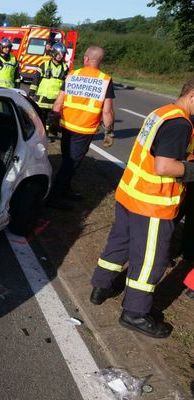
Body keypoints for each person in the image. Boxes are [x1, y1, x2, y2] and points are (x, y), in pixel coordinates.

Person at [90, 76, 194, 338]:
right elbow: (163, 166)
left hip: (130, 194)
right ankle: (135, 312)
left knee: (119, 243)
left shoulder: (162, 112)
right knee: (151, 259)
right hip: (152, 203)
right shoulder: (180, 124)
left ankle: (101, 287)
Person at [47, 46, 115, 209]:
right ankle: (53, 197)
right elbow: (107, 111)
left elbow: (58, 102)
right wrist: (109, 132)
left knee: (67, 160)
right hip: (84, 129)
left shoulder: (72, 75)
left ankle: (65, 189)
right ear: (99, 61)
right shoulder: (105, 80)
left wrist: (54, 122)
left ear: (86, 58)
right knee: (71, 164)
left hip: (67, 126)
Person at [28, 42, 69, 138]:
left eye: (62, 55)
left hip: (55, 100)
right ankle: (36, 135)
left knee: (49, 121)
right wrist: (31, 93)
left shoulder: (65, 68)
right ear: (53, 53)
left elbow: (67, 85)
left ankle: (45, 136)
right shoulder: (44, 65)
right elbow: (36, 80)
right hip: (42, 99)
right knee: (39, 118)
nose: (60, 56)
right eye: (58, 54)